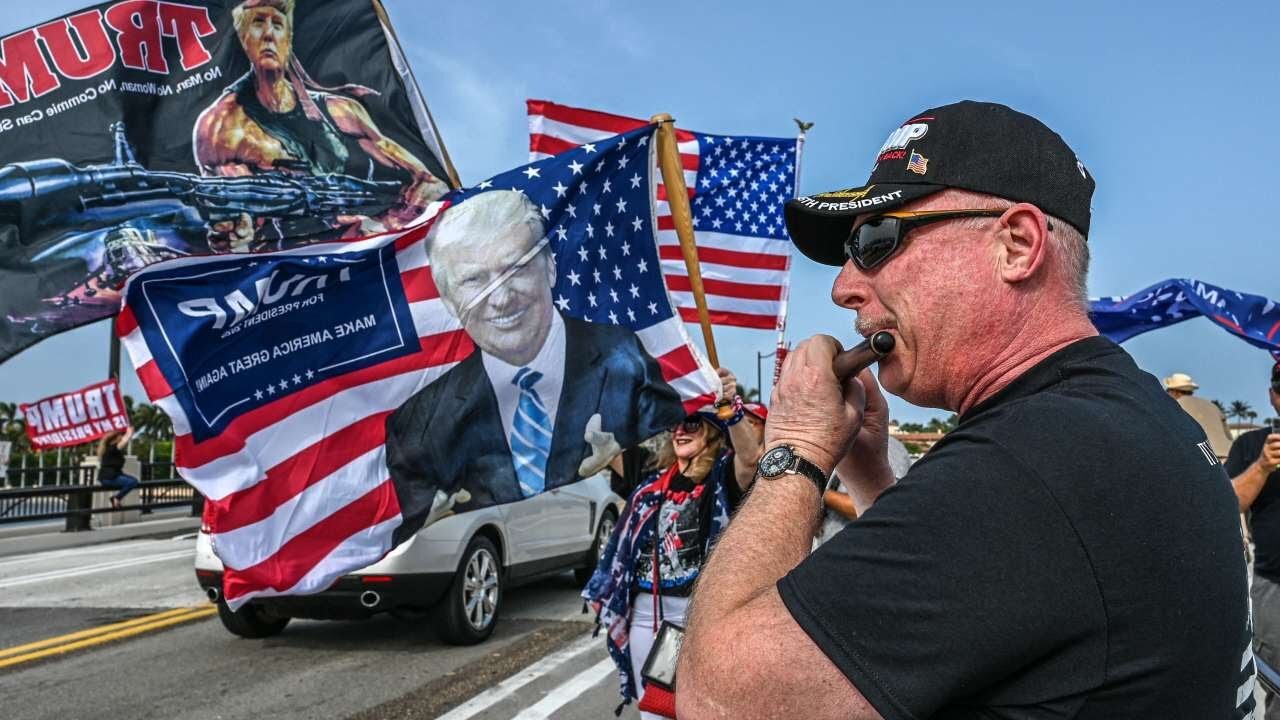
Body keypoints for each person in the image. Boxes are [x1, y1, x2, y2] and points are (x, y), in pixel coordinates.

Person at [677, 101, 1255, 719]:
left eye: (875, 240)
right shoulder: (1116, 413)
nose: (843, 286)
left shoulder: (1031, 464)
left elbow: (718, 700)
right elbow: (967, 601)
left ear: (1016, 245)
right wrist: (868, 467)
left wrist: (795, 447)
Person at [385, 190, 686, 542]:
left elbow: (670, 470)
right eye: (474, 280)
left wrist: (716, 404)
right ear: (450, 301)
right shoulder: (418, 423)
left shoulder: (628, 360)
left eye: (516, 268)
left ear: (551, 266)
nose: (500, 298)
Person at [193, 0, 449, 252]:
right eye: (258, 24)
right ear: (243, 37)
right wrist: (235, 233)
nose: (269, 34)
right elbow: (233, 213)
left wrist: (390, 222)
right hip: (296, 268)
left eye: (278, 25)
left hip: (369, 251)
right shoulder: (222, 126)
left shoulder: (339, 110)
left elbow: (431, 183)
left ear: (288, 37)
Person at [583, 370, 761, 717]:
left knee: (702, 710)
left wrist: (730, 407)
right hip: (646, 614)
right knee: (653, 710)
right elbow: (598, 436)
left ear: (711, 432)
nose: (680, 430)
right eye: (675, 425)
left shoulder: (723, 478)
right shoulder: (648, 479)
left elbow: (752, 458)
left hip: (701, 615)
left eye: (692, 423)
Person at [1229, 362, 1280, 718]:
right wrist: (1262, 465)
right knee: (1275, 683)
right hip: (1273, 585)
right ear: (1272, 397)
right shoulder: (1251, 445)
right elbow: (1227, 504)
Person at [1164, 371, 1234, 461]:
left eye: (1168, 391)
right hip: (1229, 455)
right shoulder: (1212, 405)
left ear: (1175, 391)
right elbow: (1229, 436)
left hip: (1204, 458)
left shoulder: (1175, 406)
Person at [97, 427, 138, 509]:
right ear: (115, 439)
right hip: (109, 478)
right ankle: (116, 498)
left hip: (112, 476)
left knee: (133, 480)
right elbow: (125, 440)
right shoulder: (112, 448)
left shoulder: (109, 448)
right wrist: (129, 432)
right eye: (120, 435)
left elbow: (124, 441)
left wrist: (129, 433)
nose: (122, 437)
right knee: (133, 482)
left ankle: (116, 498)